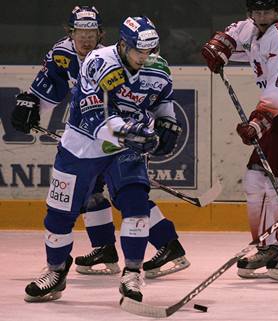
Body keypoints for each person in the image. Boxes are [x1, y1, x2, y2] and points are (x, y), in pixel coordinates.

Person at [11, 6, 189, 278]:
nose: (85, 38)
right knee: (90, 194)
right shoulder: (65, 55)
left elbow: (156, 97)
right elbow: (49, 87)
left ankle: (167, 243)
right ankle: (104, 247)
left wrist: (158, 124)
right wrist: (30, 103)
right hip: (89, 135)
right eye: (80, 32)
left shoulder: (122, 59)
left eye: (91, 31)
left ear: (101, 33)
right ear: (70, 33)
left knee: (130, 197)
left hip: (116, 133)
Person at [201, 0, 278, 282]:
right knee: (255, 180)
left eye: (267, 11)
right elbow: (232, 34)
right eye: (257, 11)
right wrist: (220, 47)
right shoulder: (253, 28)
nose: (261, 16)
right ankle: (268, 247)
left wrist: (257, 122)